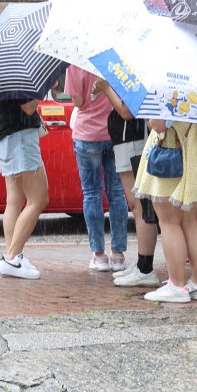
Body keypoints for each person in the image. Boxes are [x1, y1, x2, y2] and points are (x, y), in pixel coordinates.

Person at [134, 118, 197, 303]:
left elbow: (158, 124)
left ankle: (177, 285)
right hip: (196, 151)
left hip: (173, 150)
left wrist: (150, 119)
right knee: (190, 220)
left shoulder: (172, 88)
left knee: (169, 221)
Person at [94, 78, 160, 288]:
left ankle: (145, 267)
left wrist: (105, 88)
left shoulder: (135, 72)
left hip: (134, 141)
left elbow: (126, 111)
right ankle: (143, 264)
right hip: (127, 141)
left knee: (140, 207)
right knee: (139, 207)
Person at [64, 65, 129, 272]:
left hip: (87, 135)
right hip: (113, 131)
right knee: (117, 194)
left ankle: (99, 255)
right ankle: (118, 255)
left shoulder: (75, 63)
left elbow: (78, 102)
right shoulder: (112, 60)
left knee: (91, 193)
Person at [0, 97, 48, 280]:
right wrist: (42, 90)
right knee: (38, 199)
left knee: (14, 202)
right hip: (20, 138)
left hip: (6, 136)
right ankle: (11, 258)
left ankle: (12, 256)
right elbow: (28, 107)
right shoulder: (19, 75)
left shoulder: (3, 72)